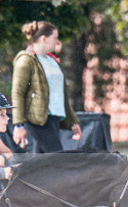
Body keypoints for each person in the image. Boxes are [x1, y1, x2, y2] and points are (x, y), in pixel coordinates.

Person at [11, 21, 81, 153]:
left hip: (54, 119)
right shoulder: (26, 60)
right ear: (44, 39)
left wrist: (73, 121)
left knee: (42, 163)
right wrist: (18, 124)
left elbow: (62, 95)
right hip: (38, 120)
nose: (57, 42)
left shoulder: (53, 61)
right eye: (54, 38)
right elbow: (17, 93)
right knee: (57, 158)